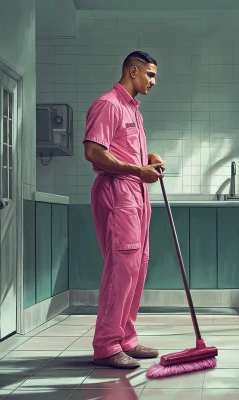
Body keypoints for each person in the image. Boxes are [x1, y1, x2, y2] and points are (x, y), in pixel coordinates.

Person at [83, 51, 165, 369]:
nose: (153, 82)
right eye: (150, 75)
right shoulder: (108, 104)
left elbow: (125, 151)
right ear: (133, 70)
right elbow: (94, 152)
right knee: (121, 269)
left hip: (136, 195)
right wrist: (136, 171)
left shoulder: (133, 111)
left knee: (137, 268)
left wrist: (149, 159)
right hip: (118, 194)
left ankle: (126, 339)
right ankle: (106, 345)